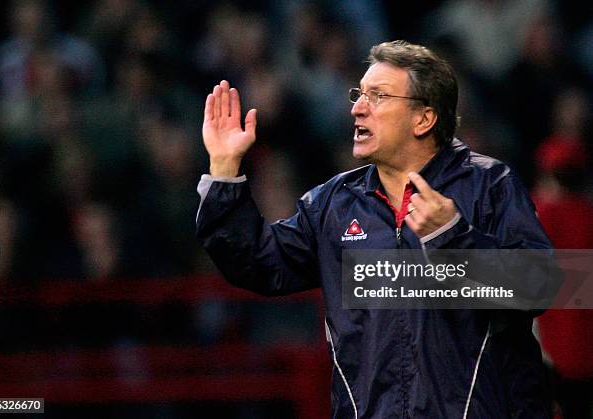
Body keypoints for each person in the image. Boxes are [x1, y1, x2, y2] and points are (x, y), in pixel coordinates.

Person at [196, 40, 554, 418]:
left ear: (424, 119)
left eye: (378, 96)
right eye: (359, 94)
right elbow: (257, 262)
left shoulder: (489, 186)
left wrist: (452, 238)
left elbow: (539, 286)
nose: (357, 108)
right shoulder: (334, 204)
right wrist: (223, 169)